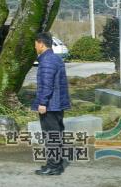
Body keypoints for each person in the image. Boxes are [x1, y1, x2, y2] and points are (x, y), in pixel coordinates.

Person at [32, 32, 71, 176]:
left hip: (50, 105)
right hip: (57, 104)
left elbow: (47, 84)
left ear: (41, 44)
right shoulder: (55, 58)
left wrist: (43, 103)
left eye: (35, 44)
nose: (35, 47)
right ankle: (56, 164)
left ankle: (53, 167)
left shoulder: (47, 61)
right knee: (56, 135)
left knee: (51, 136)